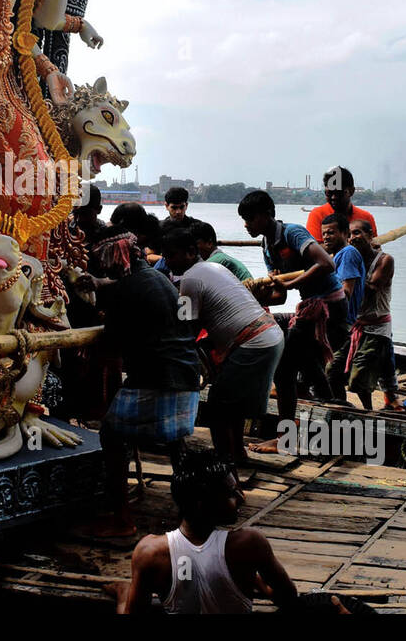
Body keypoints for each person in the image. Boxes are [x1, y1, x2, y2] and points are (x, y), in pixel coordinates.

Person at [74, 229, 201, 538]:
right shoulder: (158, 280)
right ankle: (192, 515)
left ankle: (122, 520)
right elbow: (125, 290)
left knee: (113, 436)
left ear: (117, 261)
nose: (104, 270)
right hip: (186, 374)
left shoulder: (127, 289)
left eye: (106, 264)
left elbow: (112, 341)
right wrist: (102, 287)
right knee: (175, 442)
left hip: (156, 377)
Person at [118, 448, 297, 613]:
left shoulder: (150, 552)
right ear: (202, 503)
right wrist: (257, 581)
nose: (240, 498)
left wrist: (122, 599)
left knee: (125, 597)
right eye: (231, 493)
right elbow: (288, 598)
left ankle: (121, 591)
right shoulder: (250, 543)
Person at [159, 230, 283, 465]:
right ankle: (236, 455)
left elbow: (187, 327)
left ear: (191, 252)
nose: (167, 261)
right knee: (232, 406)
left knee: (217, 408)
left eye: (172, 255)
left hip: (253, 342)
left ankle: (225, 462)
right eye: (165, 256)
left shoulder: (190, 280)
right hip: (268, 335)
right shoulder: (216, 268)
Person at [237, 190, 348, 426]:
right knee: (298, 352)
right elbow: (279, 296)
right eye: (244, 220)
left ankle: (283, 434)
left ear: (267, 215)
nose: (246, 225)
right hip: (309, 307)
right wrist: (260, 296)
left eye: (250, 218)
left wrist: (289, 282)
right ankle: (330, 404)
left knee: (284, 367)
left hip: (331, 307)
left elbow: (326, 264)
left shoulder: (293, 232)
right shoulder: (267, 245)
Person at [347, 219, 401, 410]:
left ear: (370, 236)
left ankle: (368, 411)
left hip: (377, 326)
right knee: (333, 368)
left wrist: (345, 269)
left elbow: (371, 288)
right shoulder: (349, 259)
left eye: (357, 233)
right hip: (355, 324)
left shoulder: (385, 260)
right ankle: (369, 406)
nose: (353, 238)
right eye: (350, 234)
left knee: (359, 378)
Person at [319, 213, 366, 400]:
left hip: (343, 323)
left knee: (331, 370)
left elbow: (346, 292)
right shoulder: (333, 257)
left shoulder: (347, 253)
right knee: (327, 371)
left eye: (331, 232)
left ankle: (337, 407)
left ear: (345, 233)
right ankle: (334, 404)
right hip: (332, 323)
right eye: (324, 233)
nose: (326, 237)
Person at [305, 166, 376, 242]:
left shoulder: (366, 218)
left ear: (351, 191)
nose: (333, 197)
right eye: (329, 193)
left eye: (338, 193)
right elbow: (314, 248)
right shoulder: (317, 215)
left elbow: (375, 247)